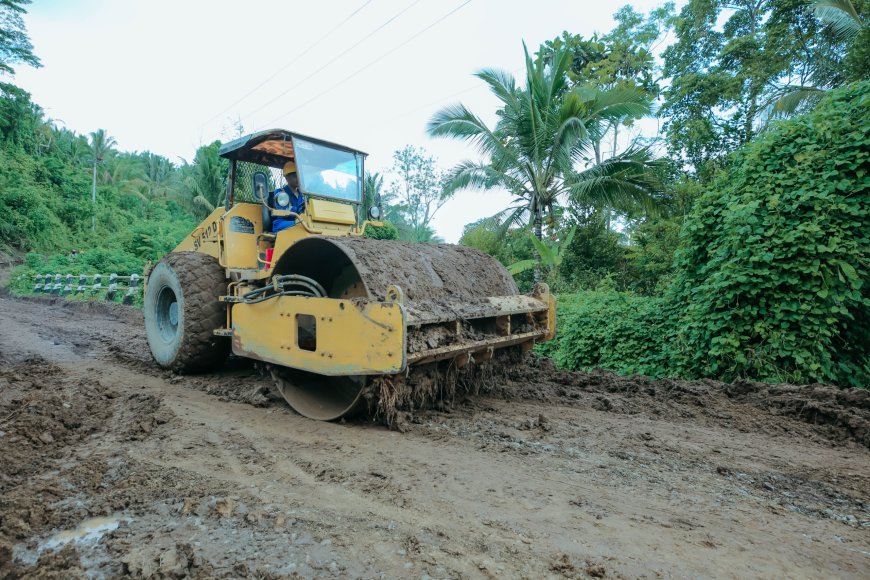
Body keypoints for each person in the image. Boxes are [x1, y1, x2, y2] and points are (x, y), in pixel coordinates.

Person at [271, 161, 305, 233]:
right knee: (302, 225)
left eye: (299, 176)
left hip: (298, 221)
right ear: (287, 177)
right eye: (295, 176)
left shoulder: (302, 195)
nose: (298, 179)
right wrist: (300, 210)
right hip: (281, 223)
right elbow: (285, 210)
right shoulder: (280, 193)